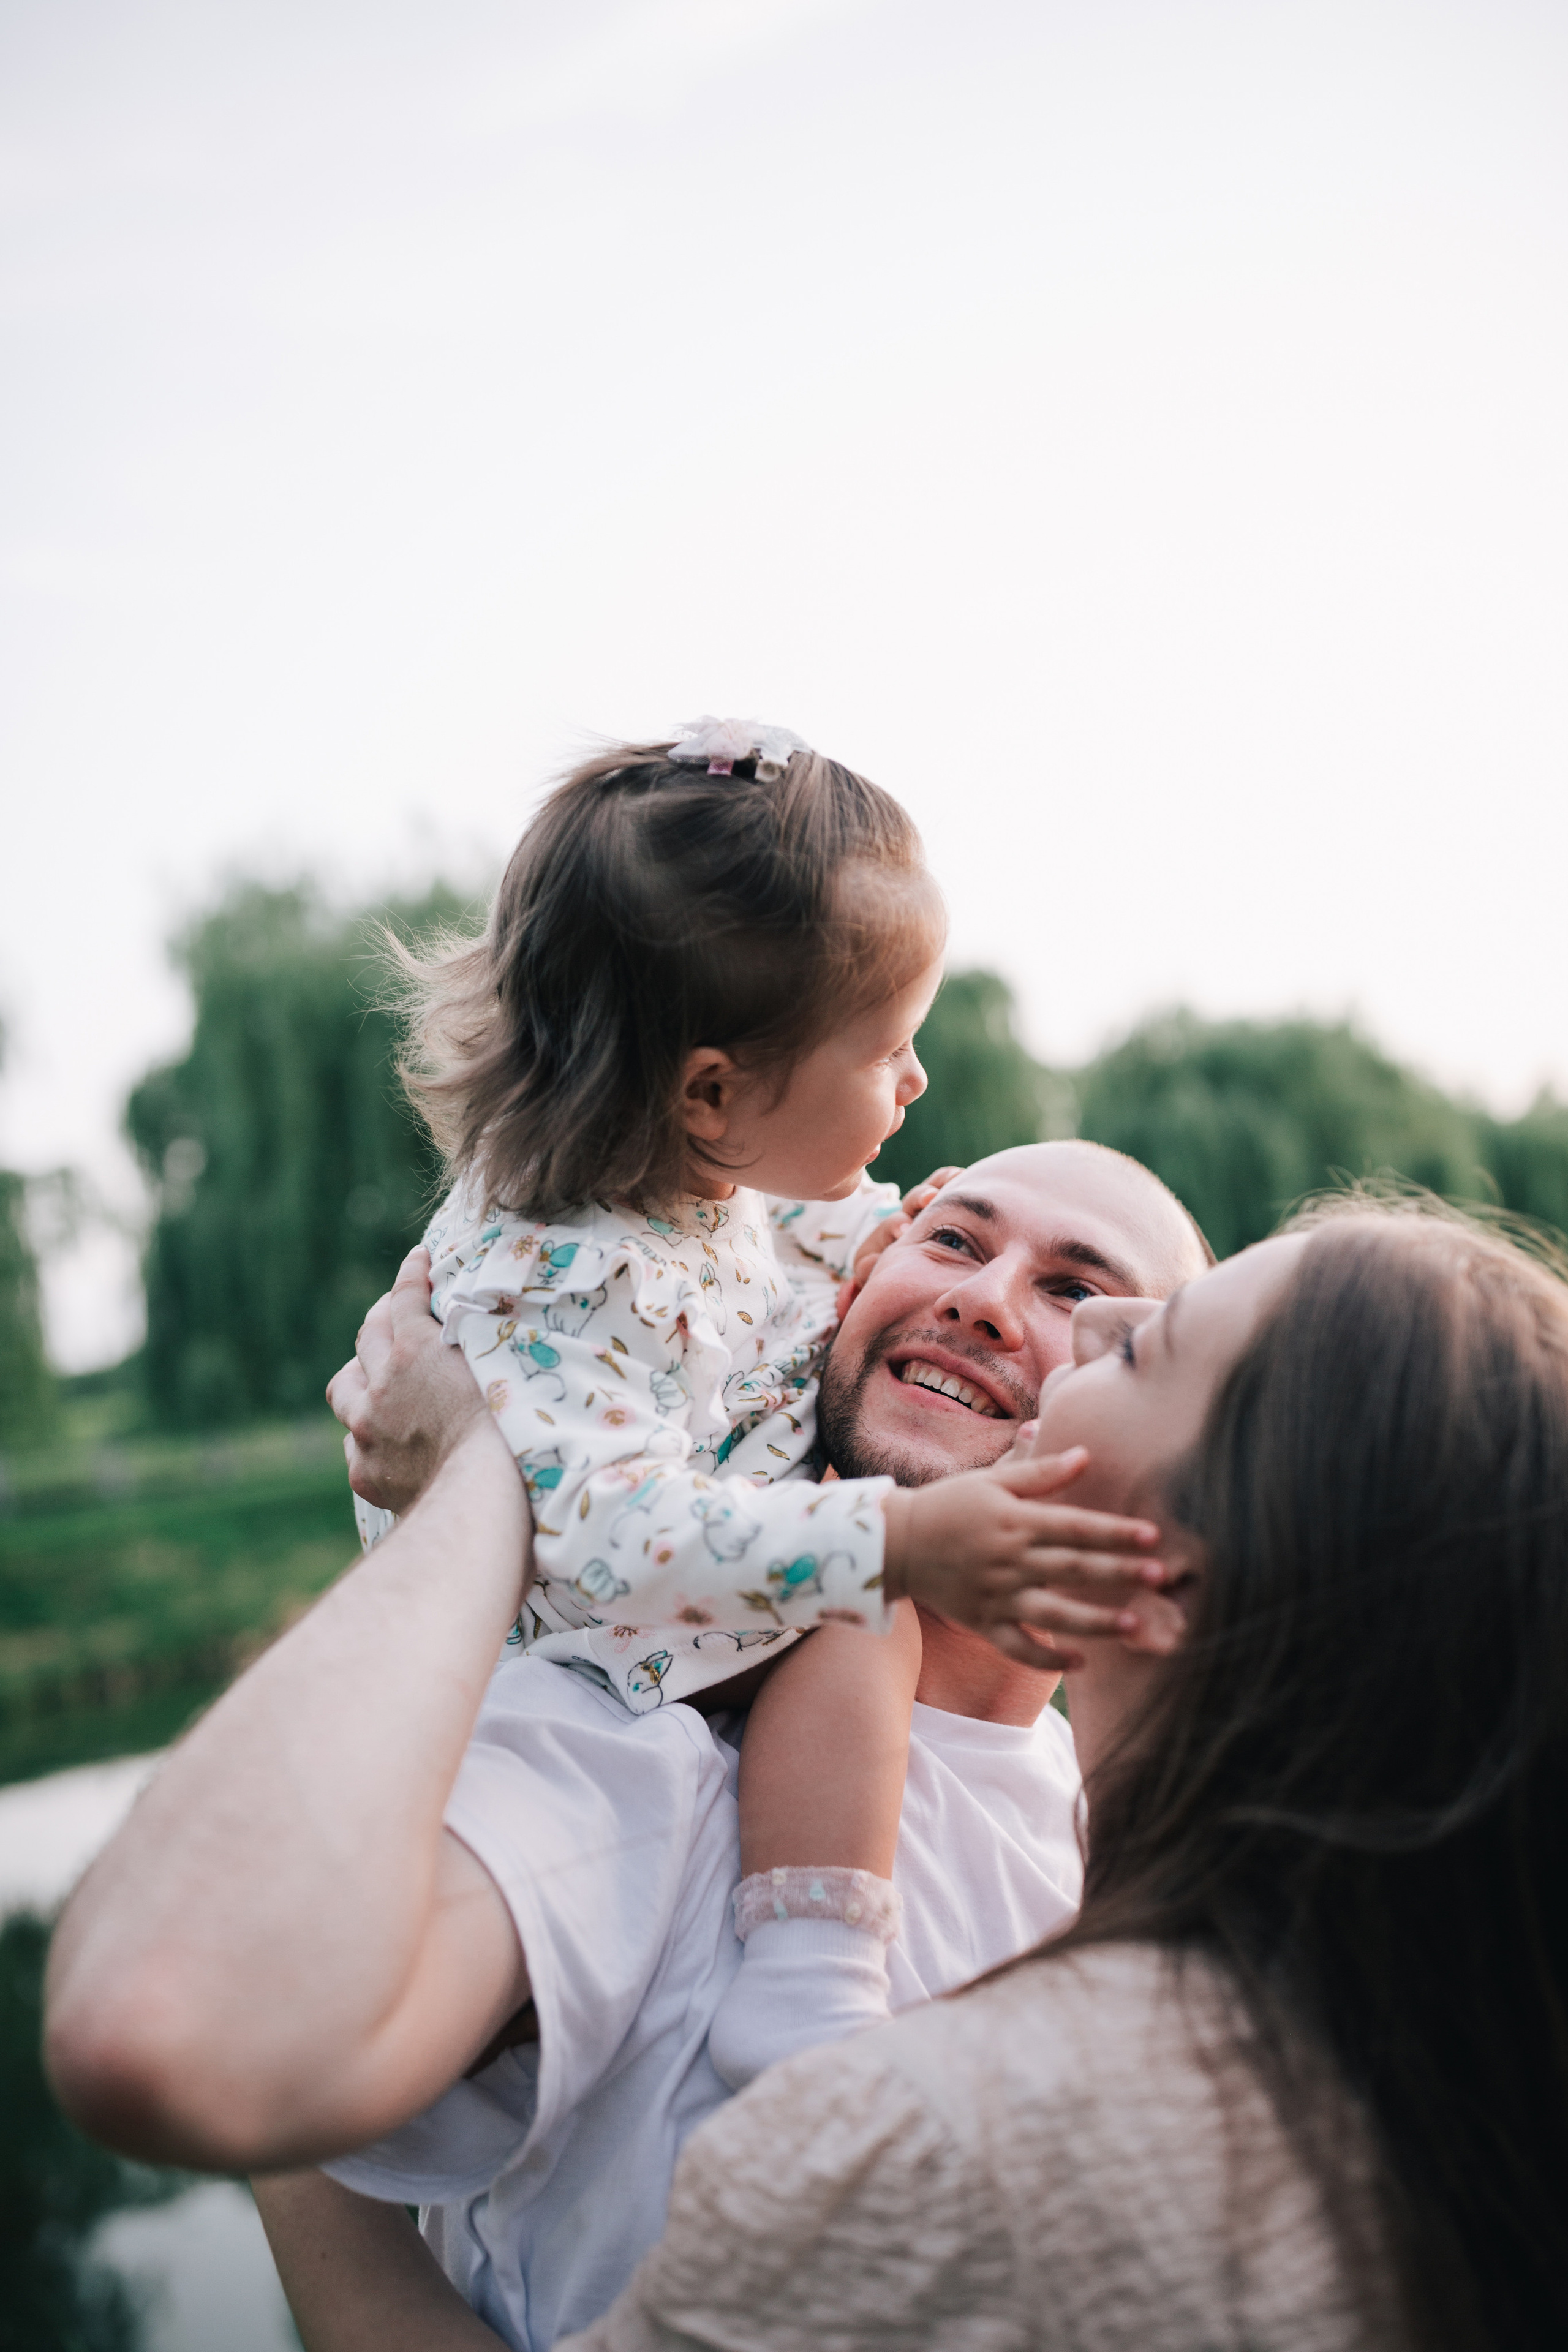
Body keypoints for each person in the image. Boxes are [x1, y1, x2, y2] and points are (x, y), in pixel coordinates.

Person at [45, 1143, 1211, 2351]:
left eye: (1076, 1294)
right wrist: (488, 1485)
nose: (979, 1295)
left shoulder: (1158, 1859)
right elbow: (186, 2019)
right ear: (854, 1283)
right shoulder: (646, 1745)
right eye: (955, 1241)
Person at [521, 1196, 1568, 2350]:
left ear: (1165, 1574)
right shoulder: (633, 1746)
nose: (1063, 1317)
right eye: (951, 1239)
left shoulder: (943, 2128)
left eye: (1125, 1329)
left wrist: (482, 1479)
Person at [342, 714, 1165, 2079]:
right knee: (860, 1592)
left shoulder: (693, 1202)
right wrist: (901, 1540)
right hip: (597, 1655)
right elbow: (615, 1532)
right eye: (889, 1050)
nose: (915, 1084)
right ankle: (808, 1963)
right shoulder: (562, 1288)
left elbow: (831, 1240)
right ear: (713, 1096)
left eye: (1083, 1297)